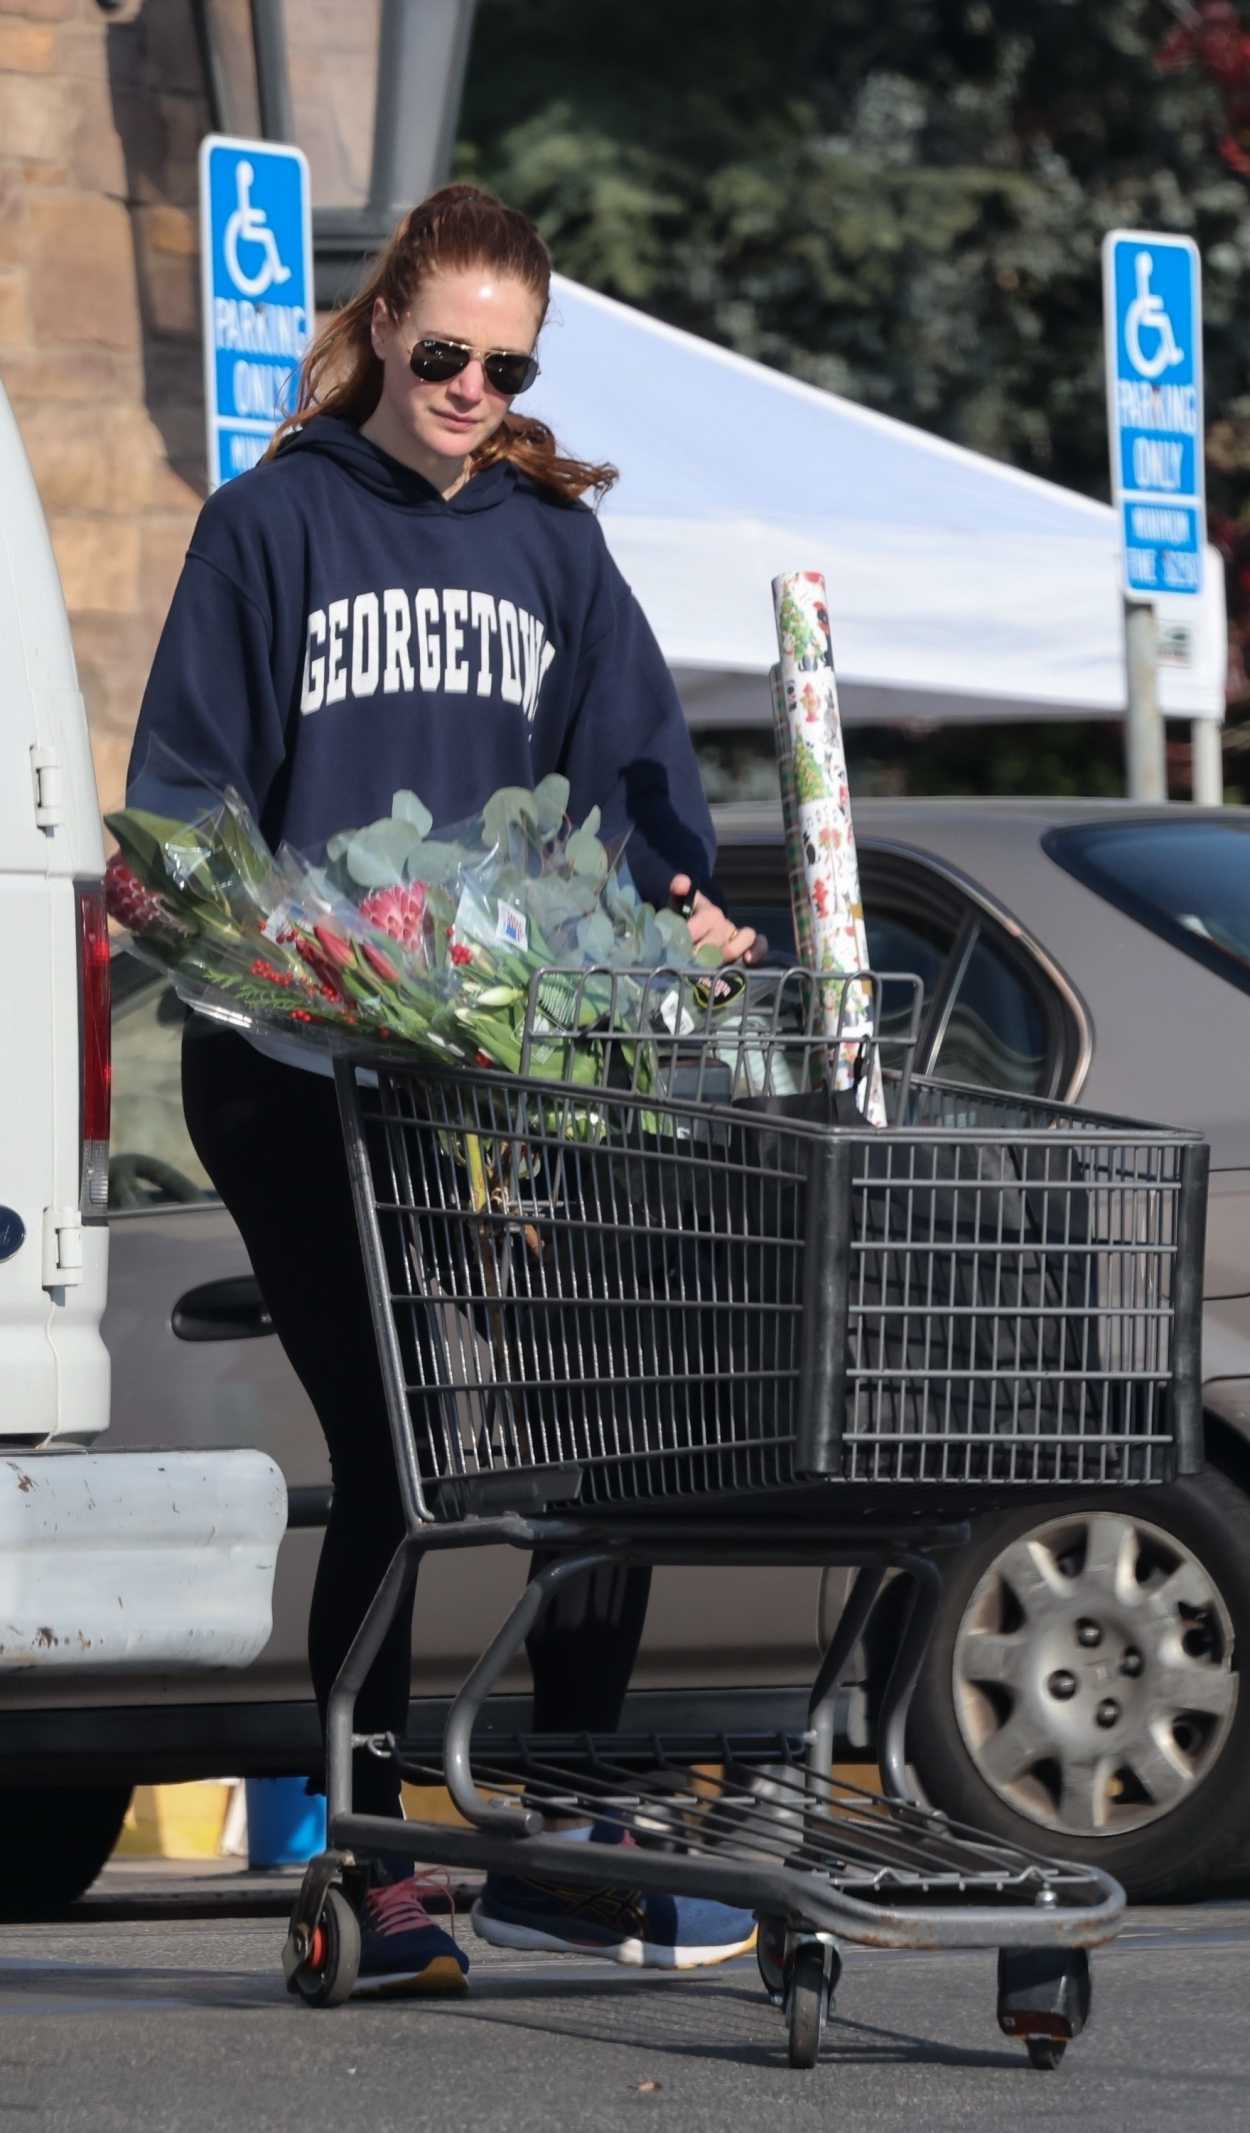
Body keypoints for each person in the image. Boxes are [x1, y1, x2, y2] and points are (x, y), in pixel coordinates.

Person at [126, 183, 759, 1996]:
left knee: (603, 1440)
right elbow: (186, 798)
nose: (472, 385)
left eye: (508, 362)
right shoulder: (271, 524)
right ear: (387, 324)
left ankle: (557, 1842)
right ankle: (373, 1861)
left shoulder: (556, 552)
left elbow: (634, 788)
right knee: (402, 1456)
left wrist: (684, 909)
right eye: (445, 351)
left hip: (496, 1070)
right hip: (298, 1062)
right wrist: (230, 919)